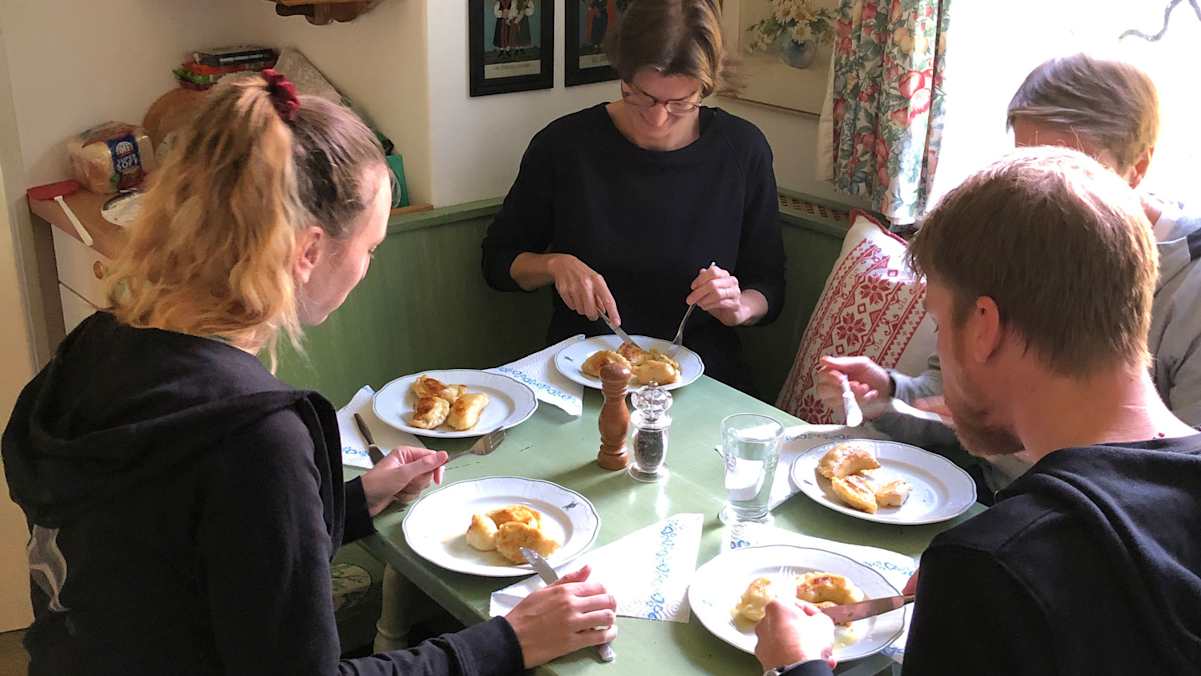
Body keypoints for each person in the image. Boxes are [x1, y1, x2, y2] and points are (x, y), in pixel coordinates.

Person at [1, 72, 616, 676]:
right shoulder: (253, 437)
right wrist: (509, 641)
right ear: (309, 252)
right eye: (370, 248)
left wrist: (349, 502)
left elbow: (179, 552)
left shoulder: (92, 347)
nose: (366, 267)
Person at [755, 147, 1201, 675]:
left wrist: (797, 665)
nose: (942, 348)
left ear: (984, 327)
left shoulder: (992, 568)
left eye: (939, 325)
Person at [817, 53, 1201, 492]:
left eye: (1070, 164)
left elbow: (1179, 491)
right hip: (989, 497)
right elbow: (959, 398)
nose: (1042, 183)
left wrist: (1025, 434)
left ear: (1139, 168)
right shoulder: (1014, 236)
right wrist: (889, 395)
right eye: (1027, 160)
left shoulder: (1189, 284)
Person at [481, 0, 786, 392]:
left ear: (705, 86)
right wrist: (554, 264)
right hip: (584, 375)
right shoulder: (564, 146)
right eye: (641, 96)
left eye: (681, 103)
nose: (658, 119)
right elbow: (497, 261)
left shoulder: (742, 149)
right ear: (622, 71)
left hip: (704, 380)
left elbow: (769, 284)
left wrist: (739, 306)